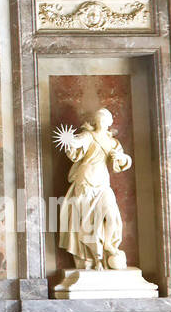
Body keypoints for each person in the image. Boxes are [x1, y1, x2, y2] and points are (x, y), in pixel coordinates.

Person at [55, 108, 133, 270]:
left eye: (105, 119)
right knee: (88, 222)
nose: (102, 122)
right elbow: (75, 146)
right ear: (95, 121)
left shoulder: (112, 143)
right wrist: (68, 140)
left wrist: (121, 158)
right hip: (85, 181)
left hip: (103, 183)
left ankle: (108, 245)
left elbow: (125, 160)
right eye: (99, 119)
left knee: (111, 215)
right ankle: (96, 258)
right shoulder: (87, 136)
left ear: (110, 122)